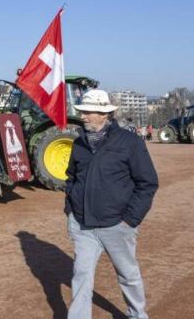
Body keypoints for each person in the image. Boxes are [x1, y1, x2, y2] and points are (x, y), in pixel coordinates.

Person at [64, 89, 158, 319]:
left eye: (88, 112)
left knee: (128, 275)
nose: (83, 116)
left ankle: (137, 315)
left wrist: (130, 220)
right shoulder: (79, 144)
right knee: (81, 276)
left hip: (117, 225)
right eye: (82, 111)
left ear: (104, 114)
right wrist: (71, 212)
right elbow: (71, 177)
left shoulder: (130, 142)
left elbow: (147, 183)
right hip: (83, 225)